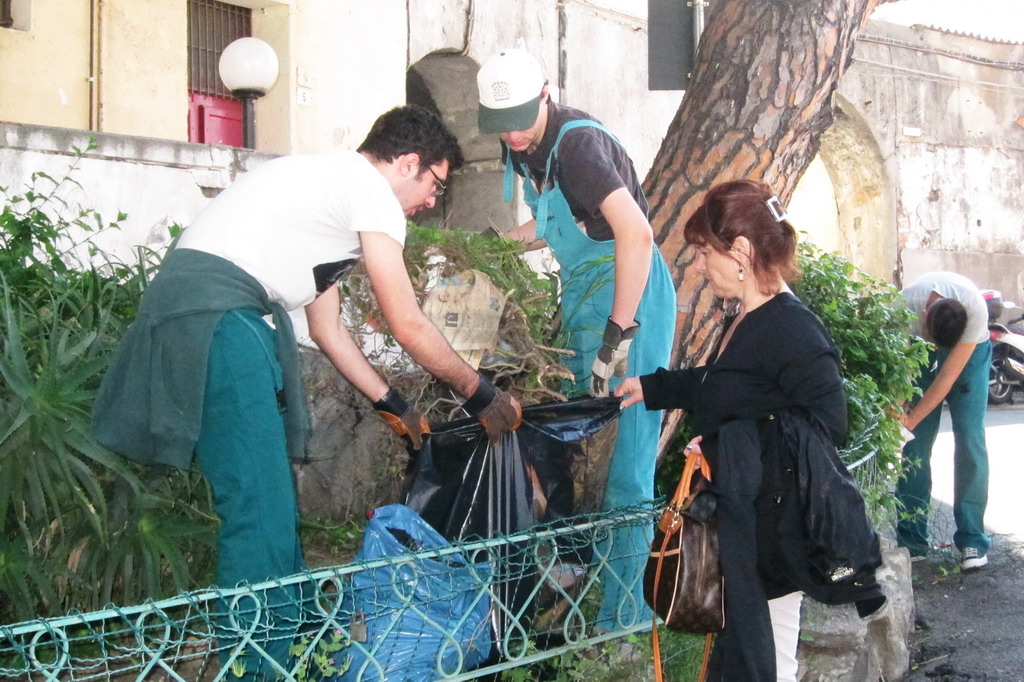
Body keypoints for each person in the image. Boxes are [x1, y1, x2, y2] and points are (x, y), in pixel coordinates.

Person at [91, 105, 522, 680]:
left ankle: (297, 656)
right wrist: (482, 394)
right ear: (408, 163)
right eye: (435, 185)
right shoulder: (368, 190)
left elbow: (326, 329)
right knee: (258, 514)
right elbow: (407, 323)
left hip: (198, 313)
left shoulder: (328, 191)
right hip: (218, 319)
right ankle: (256, 670)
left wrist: (393, 404)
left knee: (271, 509)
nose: (430, 202)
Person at [615, 180, 884, 681]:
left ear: (740, 251)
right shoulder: (749, 316)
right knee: (753, 660)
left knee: (766, 662)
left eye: (704, 253)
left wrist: (726, 448)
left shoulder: (793, 330)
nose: (698, 267)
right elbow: (728, 385)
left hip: (772, 535)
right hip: (747, 526)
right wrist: (653, 388)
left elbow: (827, 428)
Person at [475, 48, 675, 630]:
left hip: (629, 295)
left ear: (545, 94)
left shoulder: (579, 146)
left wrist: (619, 334)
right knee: (575, 449)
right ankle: (577, 586)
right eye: (500, 124)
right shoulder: (523, 147)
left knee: (625, 462)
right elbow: (557, 223)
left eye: (520, 118)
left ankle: (625, 623)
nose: (512, 134)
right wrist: (493, 247)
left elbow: (635, 234)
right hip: (584, 295)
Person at [897, 271, 991, 570]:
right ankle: (911, 541)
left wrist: (911, 419)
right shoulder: (903, 307)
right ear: (924, 317)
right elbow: (898, 374)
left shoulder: (975, 311)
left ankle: (973, 541)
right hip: (915, 351)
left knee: (970, 436)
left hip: (970, 353)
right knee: (914, 444)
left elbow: (946, 379)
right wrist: (900, 416)